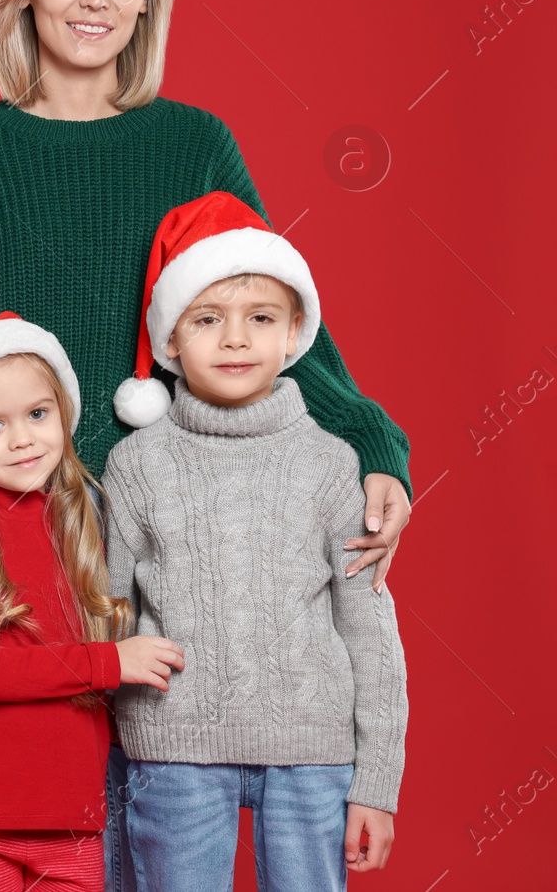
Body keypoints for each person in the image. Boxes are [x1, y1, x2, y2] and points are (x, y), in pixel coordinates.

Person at [0, 0, 413, 886]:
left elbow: (265, 308)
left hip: (183, 511)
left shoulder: (191, 142)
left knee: (160, 801)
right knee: (67, 813)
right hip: (34, 528)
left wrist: (370, 439)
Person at [102, 191, 409, 888]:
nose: (235, 338)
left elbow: (370, 628)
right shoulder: (137, 464)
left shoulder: (333, 463)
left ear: (294, 331)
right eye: (208, 319)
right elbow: (106, 609)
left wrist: (377, 782)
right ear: (171, 339)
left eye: (260, 318)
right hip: (171, 747)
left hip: (312, 749)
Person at [0, 312, 185, 891]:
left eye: (37, 414)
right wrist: (110, 662)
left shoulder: (87, 521)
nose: (23, 438)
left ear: (62, 412)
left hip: (76, 821)